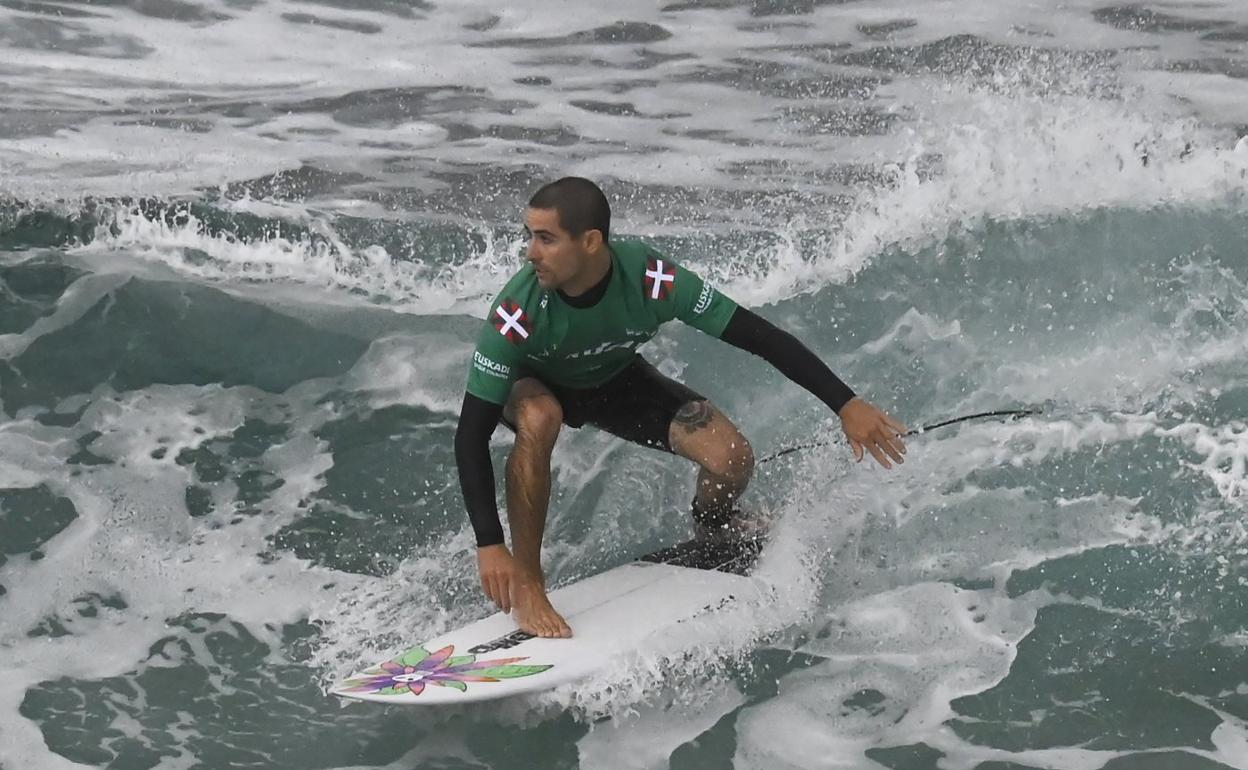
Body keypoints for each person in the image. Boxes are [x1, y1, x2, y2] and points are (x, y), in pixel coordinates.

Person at [454, 177, 907, 639]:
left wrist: (845, 403)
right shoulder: (517, 311)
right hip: (534, 387)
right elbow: (470, 434)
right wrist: (490, 543)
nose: (530, 252)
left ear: (590, 242)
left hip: (612, 380)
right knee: (541, 415)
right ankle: (530, 584)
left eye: (545, 238)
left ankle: (715, 525)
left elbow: (759, 337)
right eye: (529, 236)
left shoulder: (652, 279)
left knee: (732, 458)